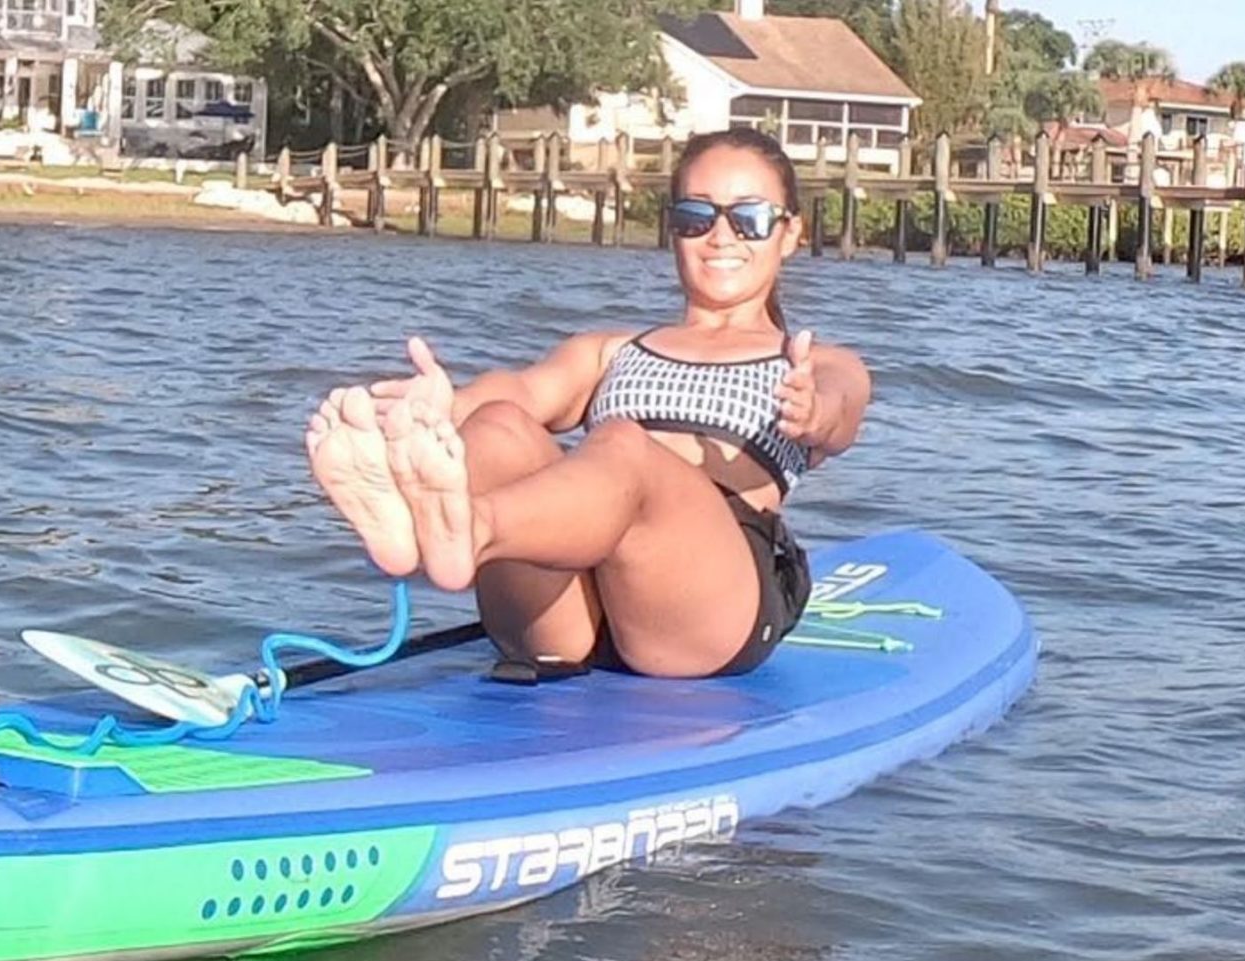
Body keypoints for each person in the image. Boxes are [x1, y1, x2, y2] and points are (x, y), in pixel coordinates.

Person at [305, 126, 874, 681]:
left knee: (623, 445)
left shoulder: (809, 362)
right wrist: (446, 407)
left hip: (704, 607)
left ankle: (466, 530)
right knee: (500, 424)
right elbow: (524, 392)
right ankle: (412, 524)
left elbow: (839, 412)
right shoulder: (610, 351)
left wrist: (813, 413)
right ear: (672, 230)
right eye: (696, 217)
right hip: (569, 618)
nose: (721, 237)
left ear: (790, 232)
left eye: (748, 219)